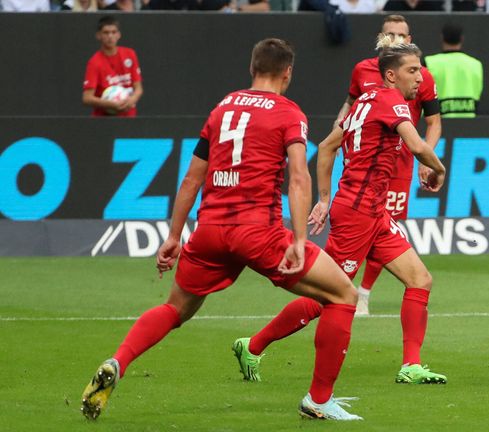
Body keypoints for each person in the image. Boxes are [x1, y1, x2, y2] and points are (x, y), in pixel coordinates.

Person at [81, 38, 363, 422]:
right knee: (344, 295)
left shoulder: (222, 108)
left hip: (210, 230)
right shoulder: (289, 113)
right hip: (258, 233)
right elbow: (298, 178)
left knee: (175, 308)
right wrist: (299, 238)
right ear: (288, 73)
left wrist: (173, 236)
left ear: (252, 68)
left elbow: (191, 179)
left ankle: (118, 361)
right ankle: (318, 400)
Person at [243, 39, 449, 386]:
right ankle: (253, 344)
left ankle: (411, 365)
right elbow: (416, 146)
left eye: (420, 70)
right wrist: (439, 170)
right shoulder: (390, 101)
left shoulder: (364, 103)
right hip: (358, 213)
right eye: (413, 70)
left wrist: (324, 199)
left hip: (371, 211)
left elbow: (326, 147)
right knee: (329, 295)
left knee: (420, 279)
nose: (420, 78)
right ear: (390, 75)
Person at [333, 14, 441, 316]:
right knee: (333, 285)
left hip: (402, 161)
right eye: (390, 33)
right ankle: (348, 291)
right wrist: (339, 128)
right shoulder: (364, 71)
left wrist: (426, 159)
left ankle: (364, 293)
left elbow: (433, 123)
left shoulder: (420, 75)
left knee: (391, 230)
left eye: (402, 34)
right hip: (366, 168)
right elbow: (349, 108)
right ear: (382, 37)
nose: (396, 38)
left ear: (410, 38)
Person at [82, 16, 143, 117]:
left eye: (114, 32)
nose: (110, 36)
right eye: (106, 32)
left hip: (129, 117)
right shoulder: (94, 62)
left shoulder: (130, 54)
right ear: (98, 35)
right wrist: (110, 104)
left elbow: (138, 88)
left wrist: (132, 100)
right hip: (104, 121)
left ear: (119, 35)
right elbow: (87, 98)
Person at [425, 23, 483, 118]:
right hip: (469, 121)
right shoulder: (476, 64)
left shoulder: (430, 62)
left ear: (442, 38)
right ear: (462, 38)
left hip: (438, 121)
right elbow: (478, 92)